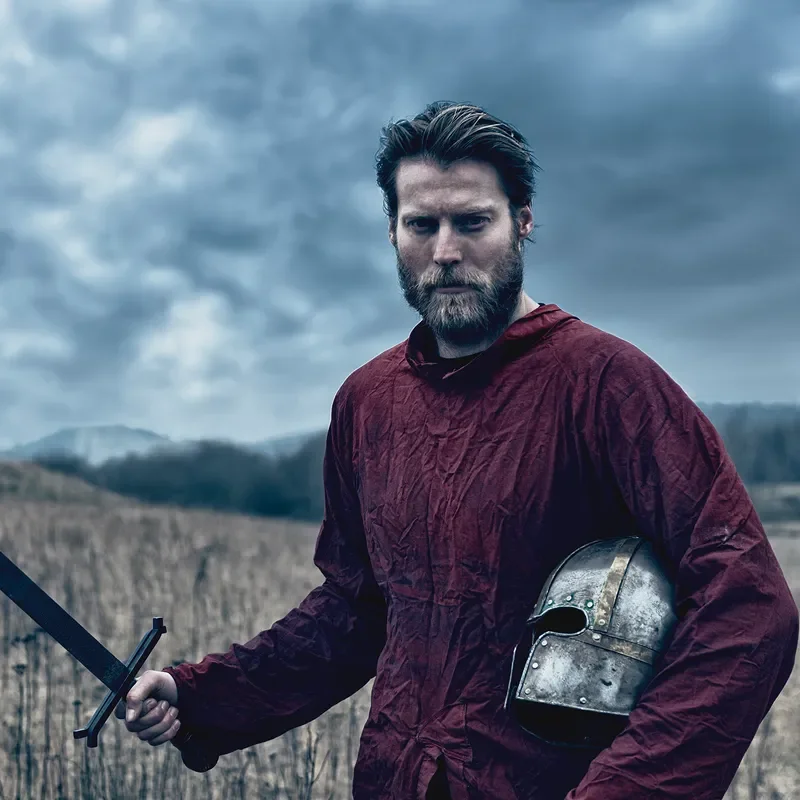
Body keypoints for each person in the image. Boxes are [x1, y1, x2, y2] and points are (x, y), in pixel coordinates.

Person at [116, 101, 799, 799]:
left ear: (522, 221)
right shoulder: (367, 401)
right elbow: (356, 610)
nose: (446, 251)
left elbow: (746, 605)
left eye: (473, 221)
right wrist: (201, 694)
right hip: (396, 777)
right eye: (422, 225)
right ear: (392, 232)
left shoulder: (606, 383)